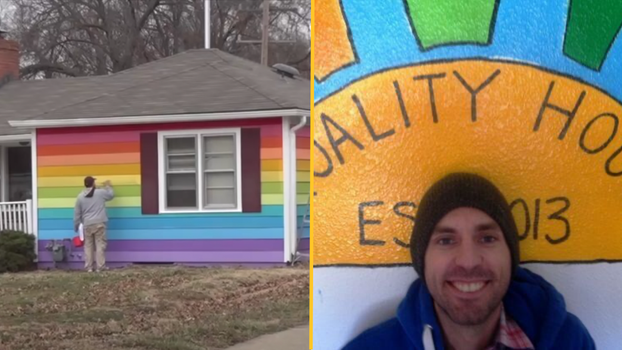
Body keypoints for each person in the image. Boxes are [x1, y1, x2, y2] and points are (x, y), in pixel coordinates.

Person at [343, 173, 595, 350]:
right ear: (422, 261)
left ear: (510, 255)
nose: (468, 261)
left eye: (487, 238)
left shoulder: (570, 340)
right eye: (445, 240)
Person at [73, 176, 114, 272]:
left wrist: (76, 226)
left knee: (88, 246)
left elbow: (77, 213)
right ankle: (100, 267)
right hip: (99, 223)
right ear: (93, 183)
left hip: (87, 224)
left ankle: (89, 267)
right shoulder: (99, 193)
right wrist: (108, 186)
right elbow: (111, 195)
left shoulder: (80, 196)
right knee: (100, 244)